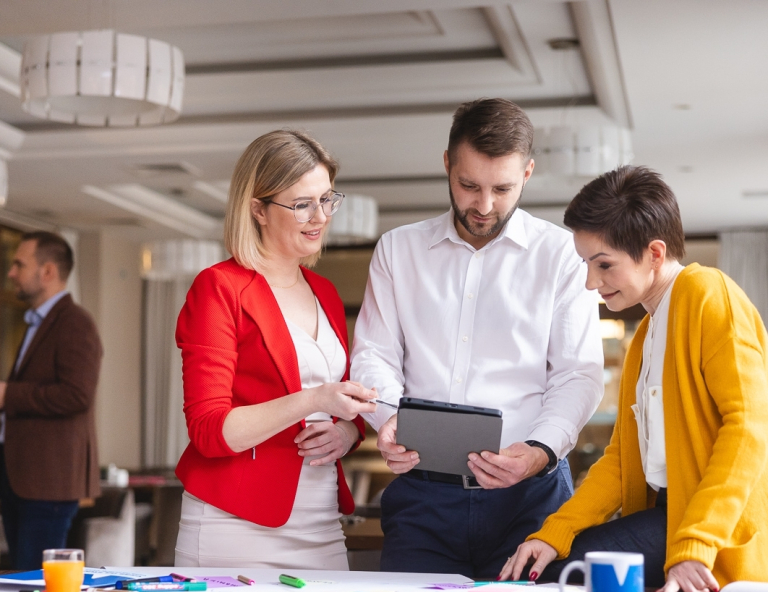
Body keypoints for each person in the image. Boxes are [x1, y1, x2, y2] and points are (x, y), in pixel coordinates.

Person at [350, 98, 604, 579]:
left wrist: (540, 451)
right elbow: (374, 356)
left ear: (527, 173)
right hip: (422, 497)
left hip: (531, 497)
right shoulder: (398, 250)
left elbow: (578, 374)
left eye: (502, 188)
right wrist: (388, 418)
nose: (484, 206)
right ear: (446, 164)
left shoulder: (562, 255)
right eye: (468, 185)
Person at [500, 165, 768, 590]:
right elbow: (623, 460)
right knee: (553, 567)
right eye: (587, 264)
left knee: (558, 578)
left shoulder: (708, 295)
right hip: (670, 514)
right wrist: (557, 531)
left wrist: (697, 542)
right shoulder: (645, 334)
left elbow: (750, 430)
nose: (591, 282)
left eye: (604, 264)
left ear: (655, 253)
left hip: (710, 529)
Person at [174, 130, 377, 569]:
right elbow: (210, 430)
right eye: (302, 204)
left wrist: (347, 432)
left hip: (321, 521)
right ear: (258, 210)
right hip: (234, 523)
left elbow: (340, 403)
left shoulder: (322, 290)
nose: (320, 216)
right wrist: (314, 399)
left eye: (327, 199)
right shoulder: (219, 288)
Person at [0, 231, 102, 570]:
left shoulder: (75, 323)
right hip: (23, 476)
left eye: (19, 264)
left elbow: (77, 395)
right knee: (22, 577)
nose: (11, 272)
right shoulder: (36, 323)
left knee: (37, 579)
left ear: (47, 272)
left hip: (49, 482)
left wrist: (6, 394)